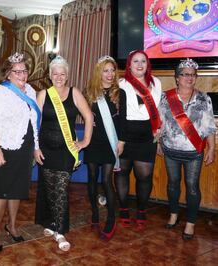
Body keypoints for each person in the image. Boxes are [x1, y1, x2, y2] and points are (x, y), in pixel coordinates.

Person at [34, 56, 93, 250]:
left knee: (61, 189)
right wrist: (35, 148)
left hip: (66, 151)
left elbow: (88, 116)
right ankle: (51, 222)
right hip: (46, 150)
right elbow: (36, 124)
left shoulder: (74, 93)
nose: (59, 77)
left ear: (67, 76)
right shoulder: (43, 94)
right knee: (50, 188)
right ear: (50, 75)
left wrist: (85, 141)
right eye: (55, 73)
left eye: (62, 74)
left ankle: (60, 231)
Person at [0, 52, 40, 252]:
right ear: (8, 74)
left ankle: (12, 225)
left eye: (24, 70)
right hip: (4, 147)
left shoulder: (31, 91)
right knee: (1, 192)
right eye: (16, 71)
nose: (21, 74)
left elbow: (33, 122)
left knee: (17, 189)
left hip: (25, 147)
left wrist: (35, 147)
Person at [158, 58, 215, 240]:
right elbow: (159, 123)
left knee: (192, 188)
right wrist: (158, 143)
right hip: (170, 150)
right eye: (185, 74)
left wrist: (212, 148)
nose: (189, 78)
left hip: (194, 153)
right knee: (172, 185)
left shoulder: (203, 98)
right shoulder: (165, 97)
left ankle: (190, 222)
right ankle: (174, 214)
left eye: (193, 75)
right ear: (177, 78)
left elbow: (209, 127)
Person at [115, 50, 162, 231]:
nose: (140, 64)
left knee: (145, 175)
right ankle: (124, 209)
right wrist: (121, 140)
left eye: (143, 61)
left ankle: (142, 211)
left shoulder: (156, 83)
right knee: (122, 173)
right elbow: (121, 115)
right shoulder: (122, 84)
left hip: (147, 136)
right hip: (126, 135)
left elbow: (158, 109)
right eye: (136, 61)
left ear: (147, 64)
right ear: (129, 64)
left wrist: (159, 130)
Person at [83, 55, 120, 240]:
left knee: (106, 181)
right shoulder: (89, 92)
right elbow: (84, 113)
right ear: (99, 72)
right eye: (106, 70)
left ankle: (112, 218)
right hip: (93, 141)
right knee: (91, 178)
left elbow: (123, 119)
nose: (110, 74)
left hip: (110, 142)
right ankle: (95, 213)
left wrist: (121, 141)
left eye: (112, 70)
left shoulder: (119, 92)